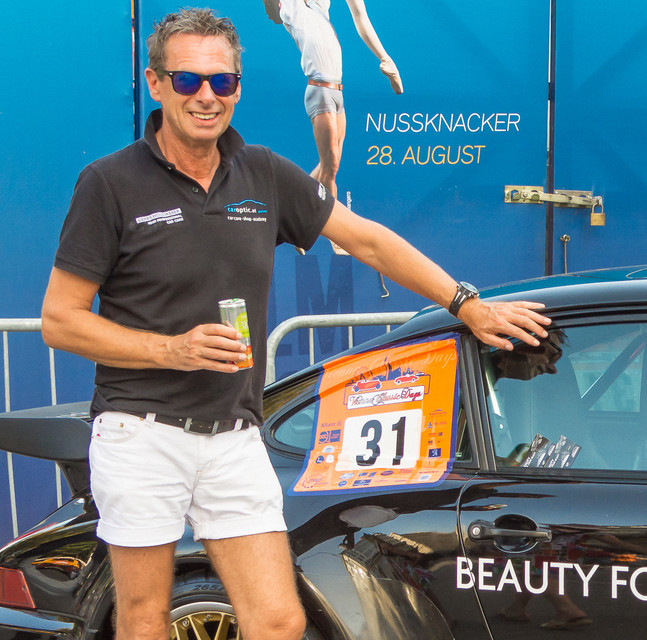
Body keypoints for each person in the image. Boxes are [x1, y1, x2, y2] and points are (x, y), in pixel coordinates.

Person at [39, 8, 548, 640]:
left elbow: (367, 240)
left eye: (222, 81)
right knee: (144, 619)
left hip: (232, 437)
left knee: (279, 621)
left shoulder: (263, 173)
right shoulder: (108, 183)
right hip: (140, 432)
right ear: (156, 83)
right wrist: (173, 350)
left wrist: (465, 303)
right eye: (189, 80)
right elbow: (60, 321)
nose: (206, 96)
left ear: (238, 88)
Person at [264, 0, 403, 200]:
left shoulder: (319, 10)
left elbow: (360, 17)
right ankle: (332, 219)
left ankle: (288, 204)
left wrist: (385, 58)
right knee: (330, 168)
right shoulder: (293, 9)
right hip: (320, 91)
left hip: (336, 89)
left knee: (329, 164)